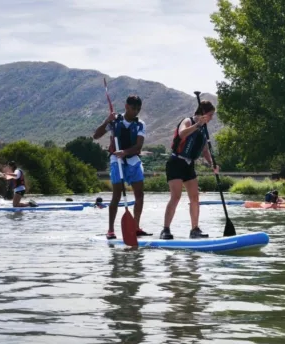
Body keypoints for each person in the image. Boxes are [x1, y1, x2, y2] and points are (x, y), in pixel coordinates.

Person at [92, 95, 150, 240]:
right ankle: (111, 230)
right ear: (126, 106)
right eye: (133, 108)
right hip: (116, 160)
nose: (135, 111)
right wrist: (106, 121)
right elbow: (96, 136)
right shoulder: (115, 121)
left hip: (133, 160)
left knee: (140, 195)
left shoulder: (140, 124)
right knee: (116, 196)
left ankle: (136, 227)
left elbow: (139, 146)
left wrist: (125, 152)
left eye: (138, 109)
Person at [160, 100, 220, 240]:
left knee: (195, 197)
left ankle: (194, 229)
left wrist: (212, 163)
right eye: (210, 115)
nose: (211, 118)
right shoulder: (188, 121)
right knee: (176, 196)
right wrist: (198, 124)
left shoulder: (204, 129)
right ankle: (165, 229)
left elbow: (205, 150)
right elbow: (182, 134)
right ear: (203, 113)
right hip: (176, 162)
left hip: (189, 165)